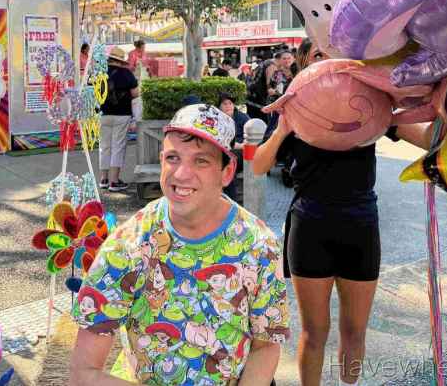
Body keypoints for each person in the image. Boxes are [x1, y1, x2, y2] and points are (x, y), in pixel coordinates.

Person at [69, 103, 289, 386]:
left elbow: (266, 344)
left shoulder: (260, 246)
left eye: (201, 161)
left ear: (227, 171)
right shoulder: (128, 245)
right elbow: (83, 373)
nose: (182, 174)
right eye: (173, 158)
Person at [252, 39, 375, 386]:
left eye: (334, 52)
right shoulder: (297, 108)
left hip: (361, 225)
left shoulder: (368, 104)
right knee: (314, 331)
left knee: (355, 330)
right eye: (318, 54)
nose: (327, 59)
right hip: (310, 227)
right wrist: (282, 130)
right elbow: (259, 166)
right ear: (305, 65)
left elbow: (425, 135)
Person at [98, 46, 140, 193]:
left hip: (102, 114)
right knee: (118, 146)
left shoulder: (100, 73)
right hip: (122, 114)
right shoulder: (127, 74)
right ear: (121, 61)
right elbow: (135, 94)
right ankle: (114, 181)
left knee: (104, 146)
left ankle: (103, 179)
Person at [218, 91, 250, 203]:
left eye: (230, 103)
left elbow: (249, 141)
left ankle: (231, 201)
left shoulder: (243, 118)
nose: (228, 106)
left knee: (228, 164)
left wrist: (238, 145)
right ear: (219, 107)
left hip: (240, 154)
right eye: (225, 104)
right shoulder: (217, 119)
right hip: (224, 152)